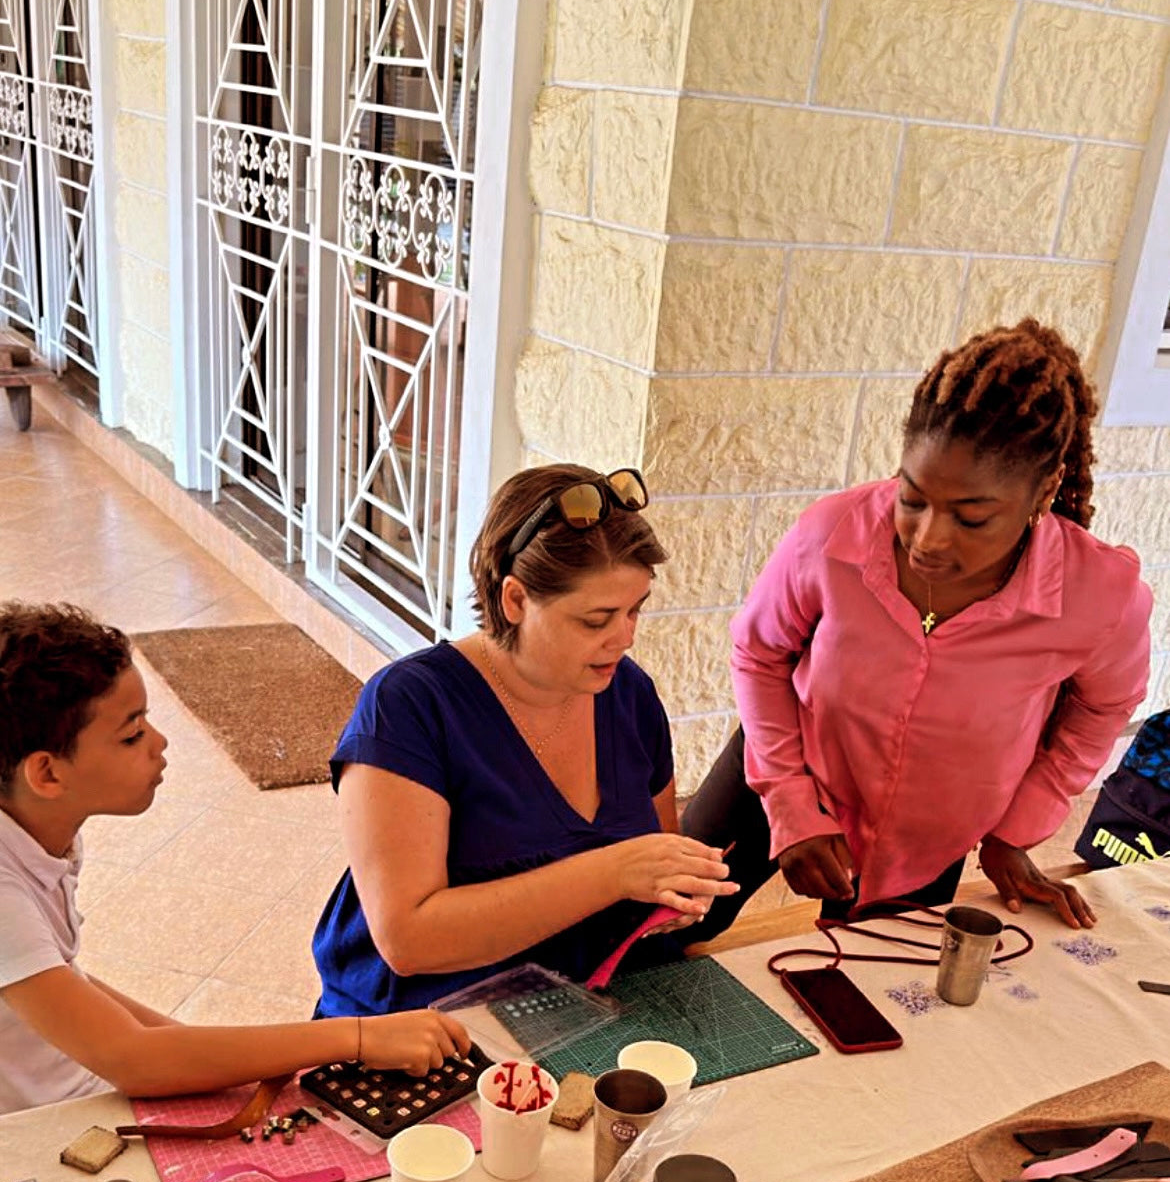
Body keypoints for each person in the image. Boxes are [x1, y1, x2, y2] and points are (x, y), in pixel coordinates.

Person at [682, 320, 1152, 933]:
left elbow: (1103, 708)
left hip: (930, 828)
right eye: (912, 498)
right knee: (661, 923)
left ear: (1045, 491)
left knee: (872, 973)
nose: (928, 539)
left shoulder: (1100, 595)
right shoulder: (833, 534)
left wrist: (1020, 827)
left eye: (972, 518)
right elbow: (757, 653)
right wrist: (790, 804)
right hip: (789, 757)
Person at [0, 602, 469, 1116]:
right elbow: (132, 1057)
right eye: (131, 735)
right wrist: (356, 1036)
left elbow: (67, 982)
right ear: (46, 774)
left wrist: (193, 1050)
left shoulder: (38, 831)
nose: (159, 743)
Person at [312, 464, 737, 1018]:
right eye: (596, 619)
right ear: (514, 600)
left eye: (635, 610)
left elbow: (651, 862)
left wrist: (672, 893)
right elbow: (408, 940)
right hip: (423, 1033)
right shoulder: (410, 705)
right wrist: (614, 872)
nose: (625, 636)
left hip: (582, 1009)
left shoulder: (628, 695)